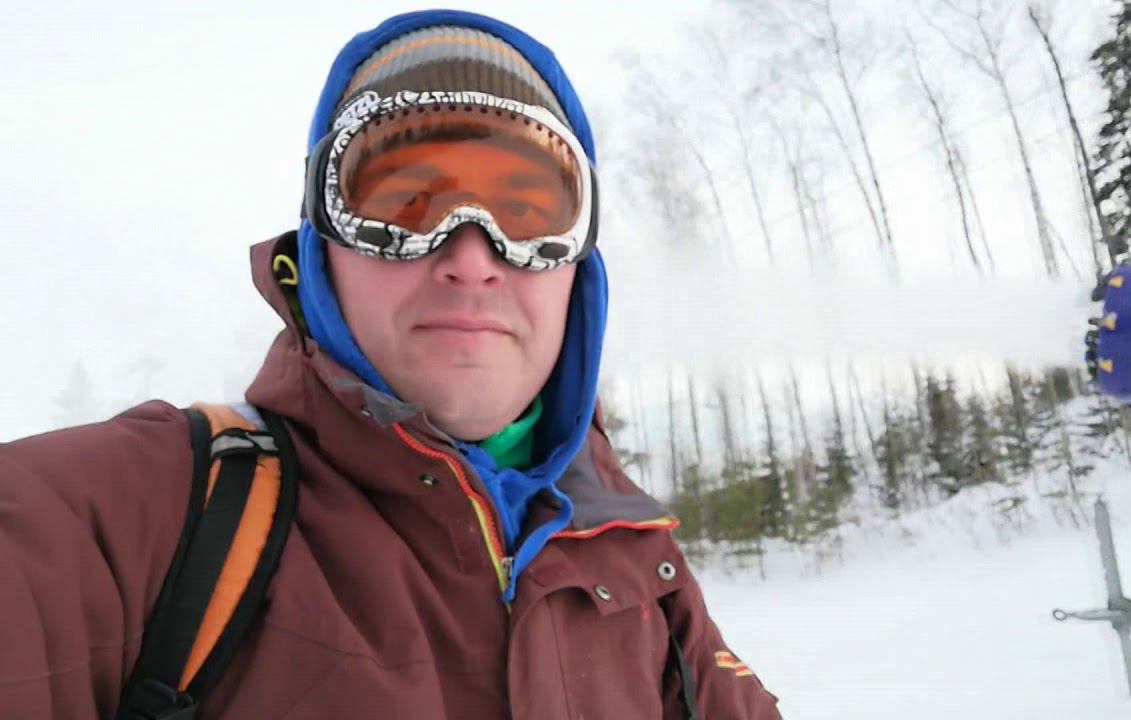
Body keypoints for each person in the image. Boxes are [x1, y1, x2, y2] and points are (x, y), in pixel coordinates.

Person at [0, 9, 782, 719]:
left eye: (525, 211)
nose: (471, 258)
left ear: (578, 271)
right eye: (407, 204)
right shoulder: (144, 518)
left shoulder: (637, 562)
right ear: (322, 247)